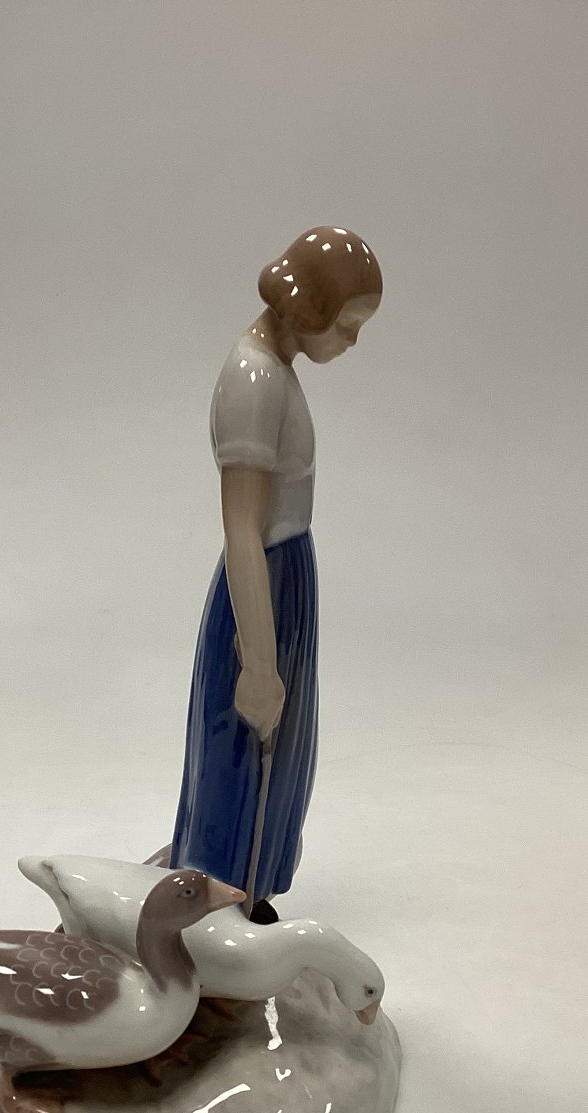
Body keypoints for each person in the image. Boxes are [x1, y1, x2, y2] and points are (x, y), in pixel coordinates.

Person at [168, 225, 382, 921]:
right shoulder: (254, 379)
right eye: (347, 323)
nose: (352, 341)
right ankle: (220, 896)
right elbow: (241, 527)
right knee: (247, 749)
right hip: (263, 581)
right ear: (310, 306)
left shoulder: (275, 371)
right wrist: (258, 663)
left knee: (280, 753)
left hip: (286, 574)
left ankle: (246, 888)